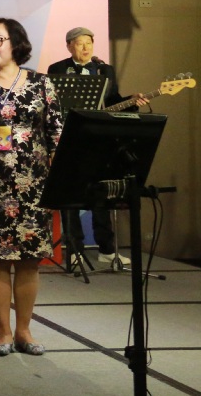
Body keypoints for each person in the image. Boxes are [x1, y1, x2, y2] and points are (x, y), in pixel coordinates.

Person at [0, 17, 64, 357]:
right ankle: (3, 332)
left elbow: (56, 134)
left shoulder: (41, 83)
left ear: (15, 43)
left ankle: (24, 330)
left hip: (35, 184)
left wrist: (59, 181)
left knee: (30, 260)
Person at [46, 26, 144, 269]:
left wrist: (132, 101)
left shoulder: (104, 70)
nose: (86, 48)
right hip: (70, 138)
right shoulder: (57, 69)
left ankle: (107, 249)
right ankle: (75, 249)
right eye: (80, 43)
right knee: (71, 193)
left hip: (99, 139)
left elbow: (113, 101)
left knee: (101, 192)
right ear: (69, 46)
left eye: (89, 43)